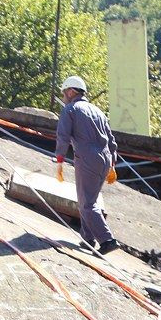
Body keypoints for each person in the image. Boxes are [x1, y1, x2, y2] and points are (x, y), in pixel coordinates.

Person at [54, 75, 120, 254]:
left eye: (64, 93)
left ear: (70, 91)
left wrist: (59, 160)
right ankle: (87, 237)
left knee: (87, 203)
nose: (63, 97)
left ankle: (107, 239)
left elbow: (63, 136)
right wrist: (112, 164)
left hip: (87, 158)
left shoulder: (70, 110)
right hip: (105, 158)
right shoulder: (98, 111)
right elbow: (112, 141)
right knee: (88, 198)